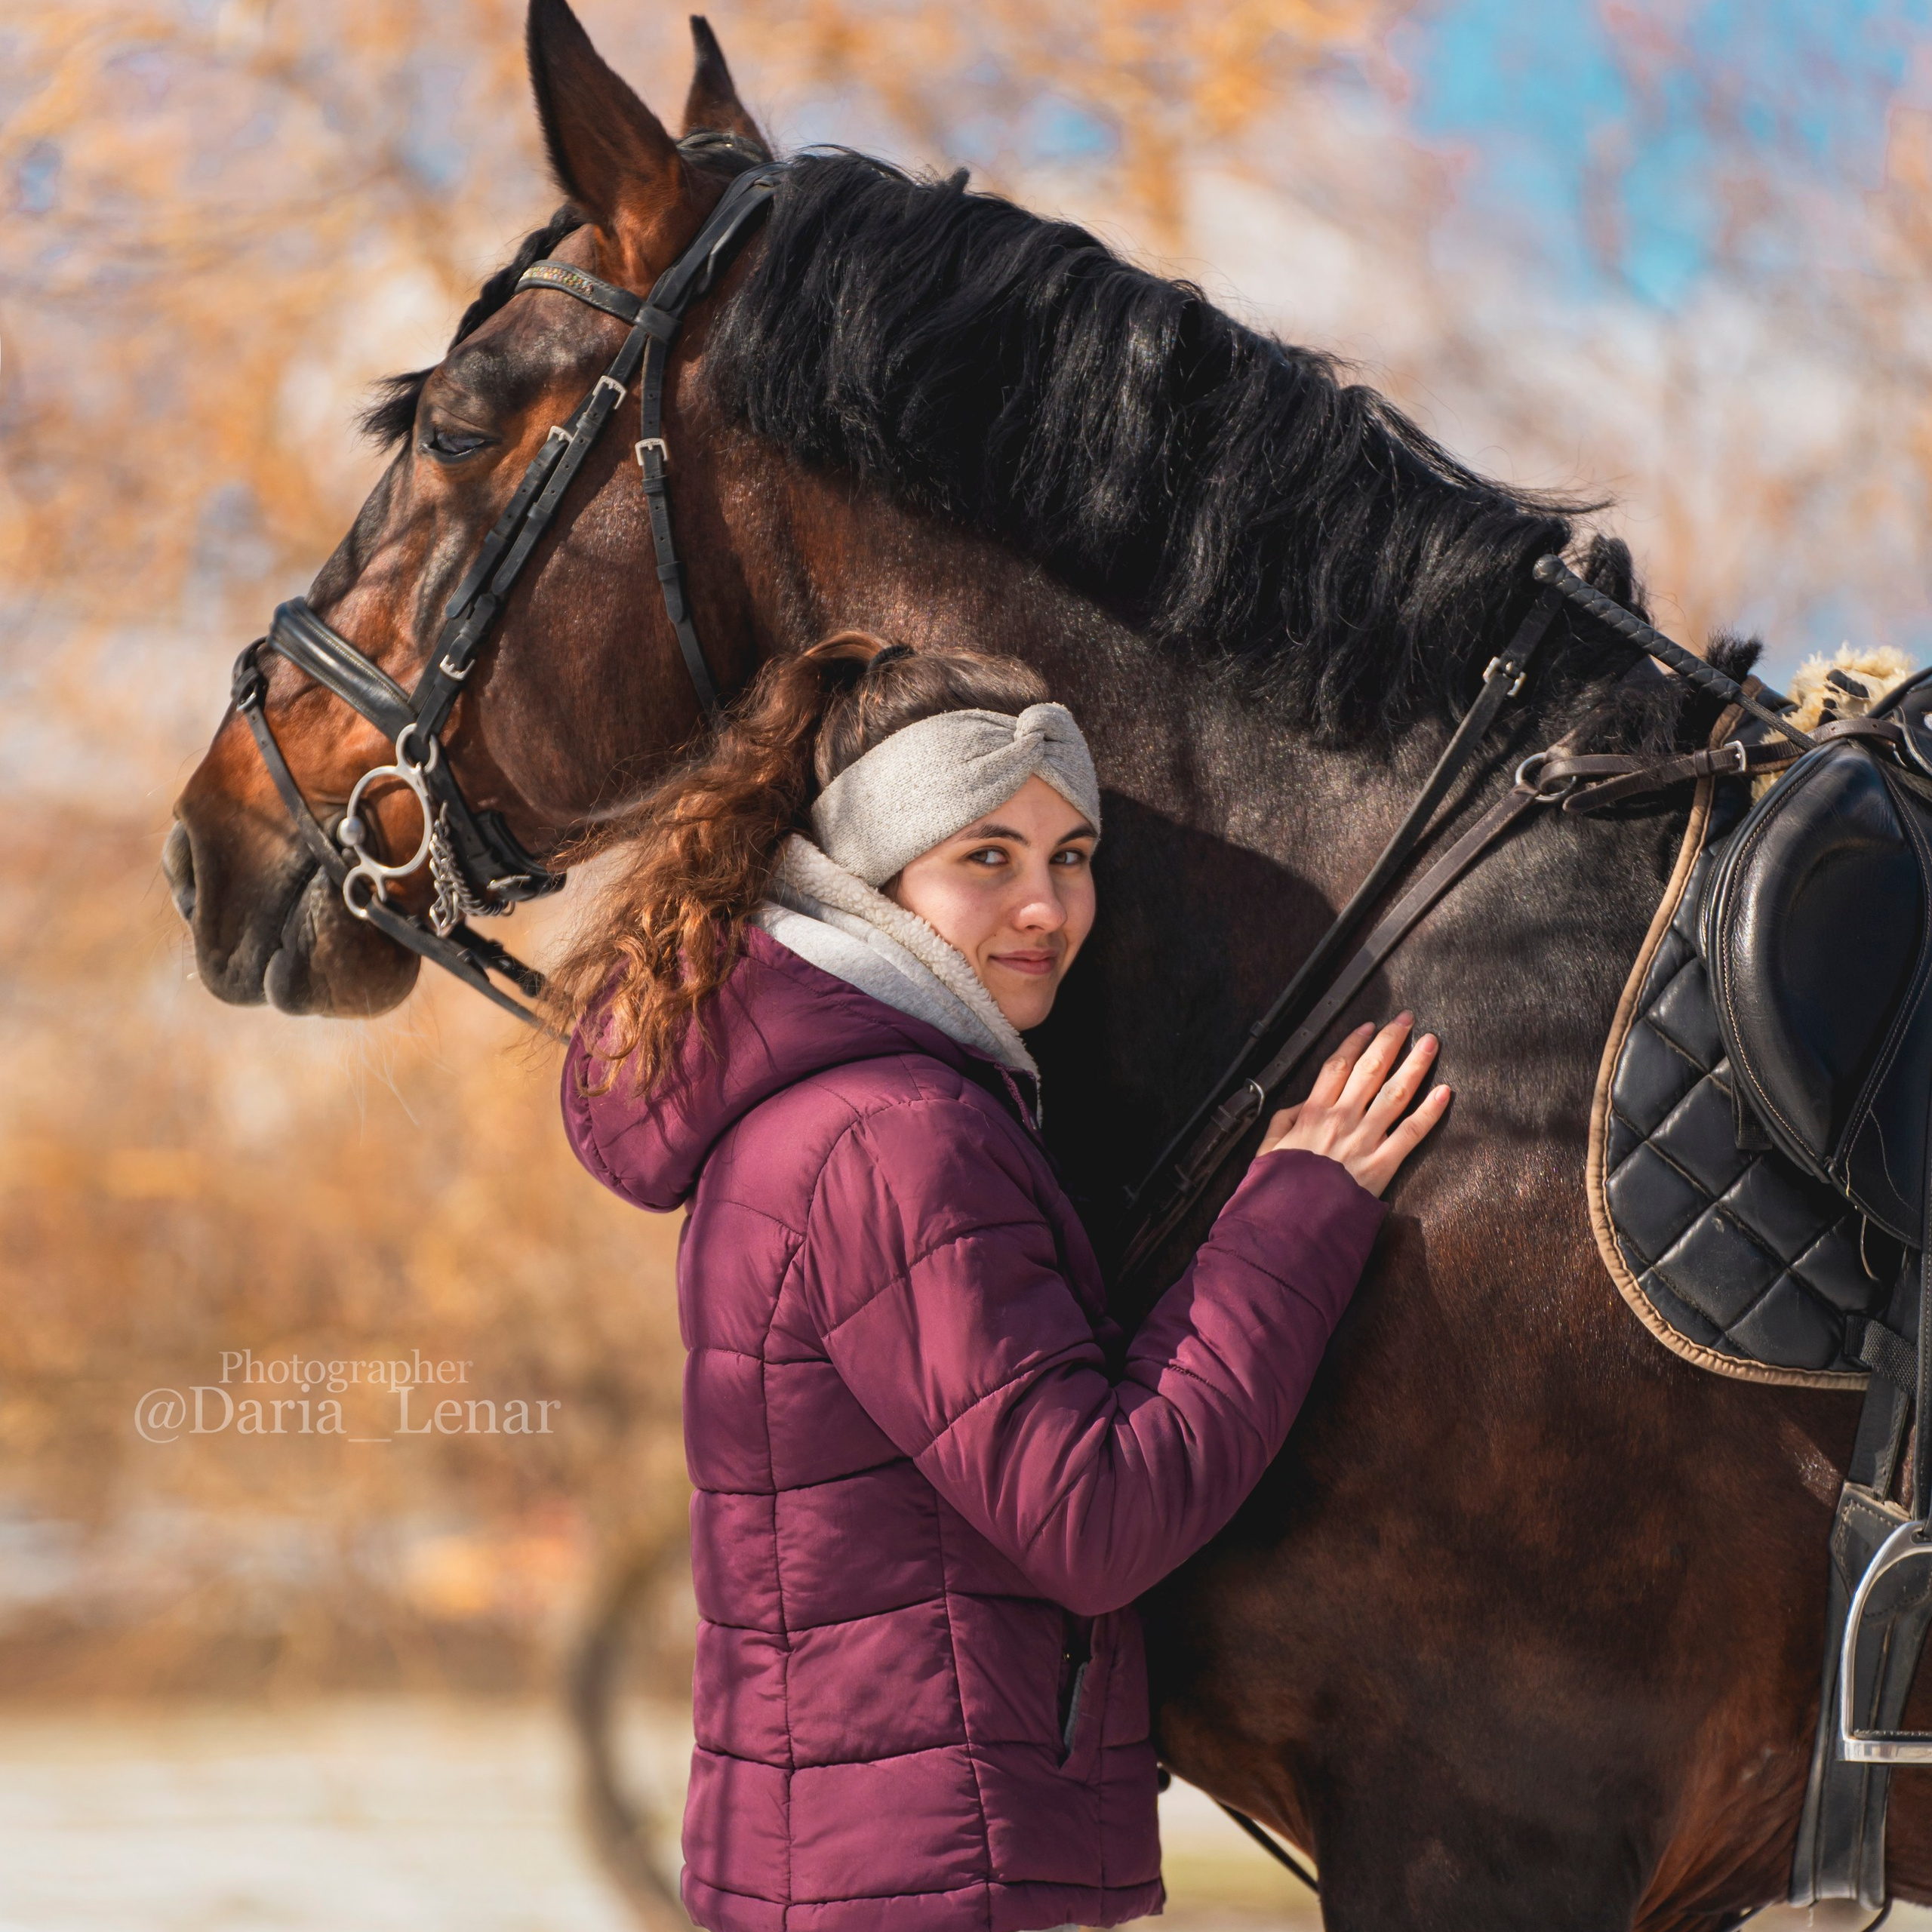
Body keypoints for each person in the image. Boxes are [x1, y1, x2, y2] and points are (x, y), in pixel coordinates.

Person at [551, 634, 1449, 1932]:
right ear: (872, 880)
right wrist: (1295, 1212)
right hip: (924, 1885)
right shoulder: (894, 1139)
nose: (1049, 908)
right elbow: (1093, 1519)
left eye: (1068, 858)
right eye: (988, 858)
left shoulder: (841, 1115)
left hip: (873, 1868)